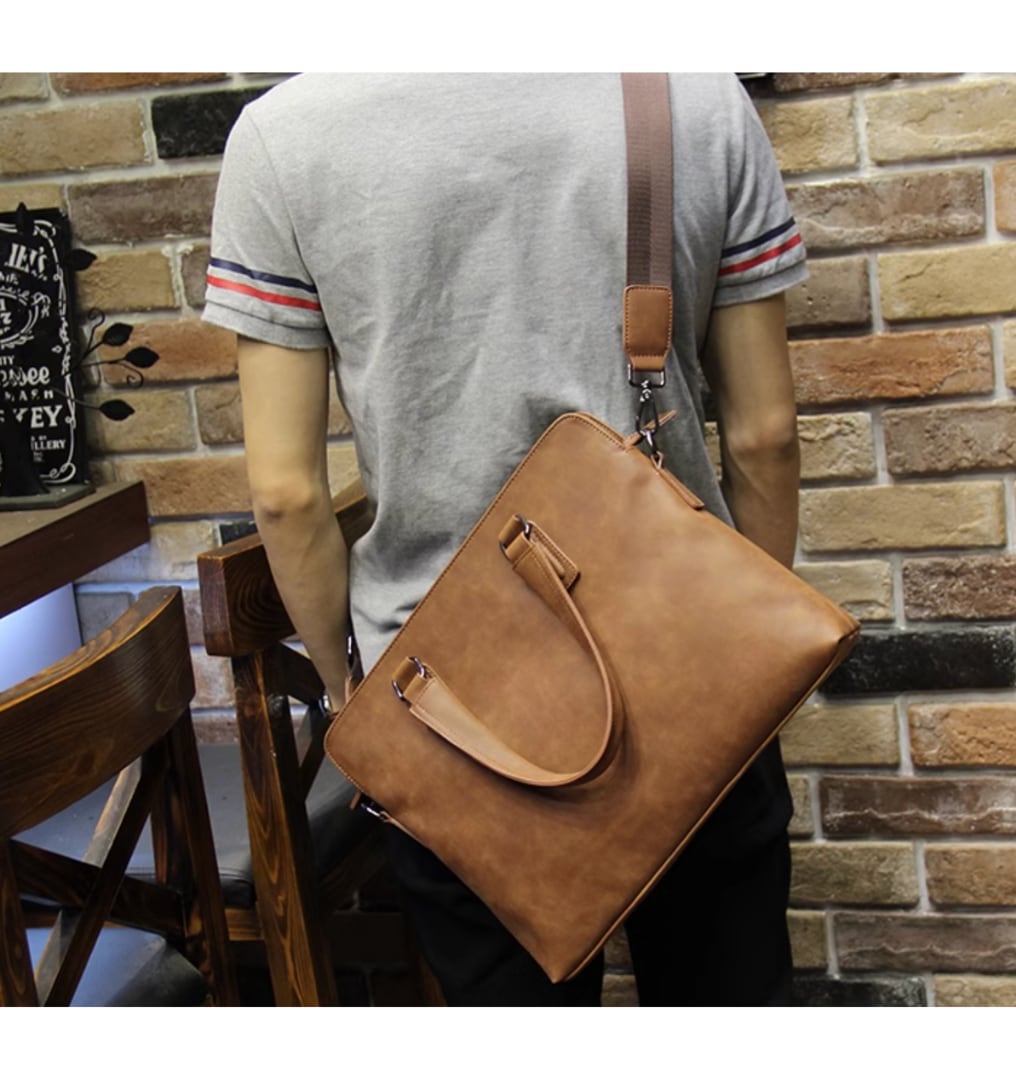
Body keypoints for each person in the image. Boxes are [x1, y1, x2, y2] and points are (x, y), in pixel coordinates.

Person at [204, 73, 807, 1006]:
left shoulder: (280, 139)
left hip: (452, 707)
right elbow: (765, 436)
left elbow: (286, 494)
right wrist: (754, 664)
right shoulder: (693, 94)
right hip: (693, 667)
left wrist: (348, 692)